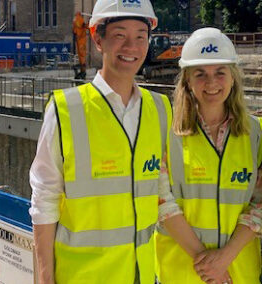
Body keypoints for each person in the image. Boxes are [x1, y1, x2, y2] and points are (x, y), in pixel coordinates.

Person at [29, 0, 181, 283]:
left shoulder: (160, 109)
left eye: (140, 36)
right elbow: (44, 200)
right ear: (98, 39)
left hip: (143, 275)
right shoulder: (66, 110)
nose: (131, 47)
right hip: (83, 276)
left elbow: (160, 191)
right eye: (120, 35)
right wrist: (45, 275)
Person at [155, 27, 262, 284]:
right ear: (187, 81)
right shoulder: (166, 132)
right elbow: (161, 203)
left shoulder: (255, 133)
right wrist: (210, 266)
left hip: (239, 274)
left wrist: (226, 257)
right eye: (200, 73)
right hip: (181, 275)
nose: (211, 82)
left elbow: (260, 203)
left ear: (233, 77)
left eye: (220, 73)